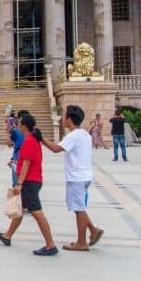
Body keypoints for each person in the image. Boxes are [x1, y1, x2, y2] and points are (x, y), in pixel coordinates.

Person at [0, 114, 58, 256]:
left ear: (24, 126)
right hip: (34, 179)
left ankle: (50, 245)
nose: (17, 126)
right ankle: (7, 235)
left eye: (19, 123)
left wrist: (19, 183)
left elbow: (26, 164)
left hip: (30, 181)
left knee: (37, 212)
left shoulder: (29, 141)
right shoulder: (33, 139)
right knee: (20, 209)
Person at [42, 105, 104, 251]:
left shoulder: (73, 135)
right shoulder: (84, 134)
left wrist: (41, 139)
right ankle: (93, 231)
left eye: (64, 116)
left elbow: (56, 149)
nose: (63, 119)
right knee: (79, 207)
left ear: (69, 119)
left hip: (77, 177)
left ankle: (81, 242)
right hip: (85, 175)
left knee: (79, 208)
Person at [6, 109, 29, 187]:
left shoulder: (16, 131)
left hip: (18, 161)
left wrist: (7, 132)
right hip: (27, 161)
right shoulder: (34, 132)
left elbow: (9, 144)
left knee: (16, 185)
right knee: (26, 186)